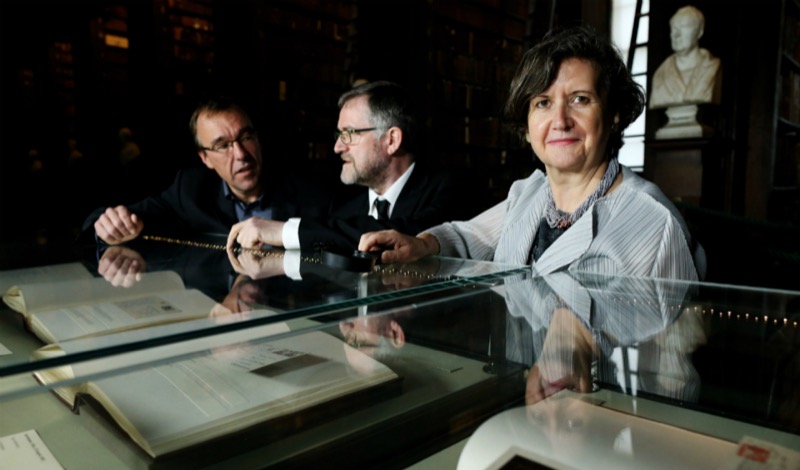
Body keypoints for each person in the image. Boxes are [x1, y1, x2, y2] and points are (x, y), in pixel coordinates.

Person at [359, 25, 705, 281]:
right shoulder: (529, 193)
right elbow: (470, 236)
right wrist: (422, 244)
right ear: (526, 124)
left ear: (613, 114)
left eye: (580, 99)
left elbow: (670, 370)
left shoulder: (655, 223)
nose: (560, 121)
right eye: (542, 102)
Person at [226, 80, 475, 253]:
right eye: (339, 134)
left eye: (349, 134)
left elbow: (397, 233)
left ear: (391, 140)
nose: (337, 147)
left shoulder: (451, 190)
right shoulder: (344, 210)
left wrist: (286, 232)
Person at [82, 97, 329, 245]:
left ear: (258, 140)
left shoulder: (306, 191)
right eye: (222, 146)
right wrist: (104, 224)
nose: (241, 154)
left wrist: (286, 234)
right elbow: (120, 219)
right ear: (205, 158)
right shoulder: (189, 191)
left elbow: (334, 244)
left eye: (246, 138)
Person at [649, 5, 721, 108]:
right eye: (673, 28)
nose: (676, 34)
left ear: (700, 31)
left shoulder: (712, 68)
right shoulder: (660, 75)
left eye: (684, 26)